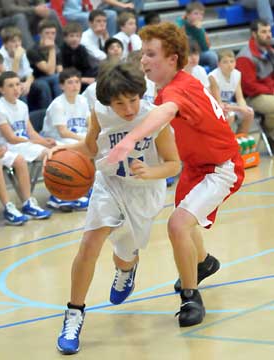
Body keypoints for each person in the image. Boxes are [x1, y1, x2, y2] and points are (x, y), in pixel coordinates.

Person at [107, 22, 245, 328]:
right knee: (185, 219)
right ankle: (204, 263)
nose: (144, 60)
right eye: (143, 54)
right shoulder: (170, 85)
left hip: (221, 168)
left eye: (151, 54)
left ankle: (190, 296)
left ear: (172, 59)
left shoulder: (178, 88)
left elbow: (165, 113)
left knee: (177, 224)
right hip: (196, 166)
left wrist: (129, 141)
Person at [54, 61, 180, 354]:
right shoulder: (99, 114)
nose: (128, 109)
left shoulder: (153, 117)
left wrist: (151, 172)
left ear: (140, 94)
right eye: (120, 103)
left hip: (144, 191)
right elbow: (90, 149)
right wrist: (59, 153)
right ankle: (74, 313)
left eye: (133, 100)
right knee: (90, 243)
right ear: (108, 103)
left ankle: (128, 266)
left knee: (124, 255)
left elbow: (174, 163)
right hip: (109, 184)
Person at [0, 72, 54, 220]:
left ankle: (55, 195)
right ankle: (24, 202)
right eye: (10, 86)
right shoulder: (0, 108)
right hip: (10, 146)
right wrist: (35, 142)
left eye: (18, 84)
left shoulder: (22, 105)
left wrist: (44, 141)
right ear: (1, 90)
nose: (16, 88)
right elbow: (11, 137)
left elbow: (30, 131)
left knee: (53, 152)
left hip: (23, 144)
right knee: (25, 159)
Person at [42, 67, 91, 210]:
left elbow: (90, 123)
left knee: (96, 144)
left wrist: (92, 135)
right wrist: (84, 140)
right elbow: (63, 132)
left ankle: (87, 187)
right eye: (70, 82)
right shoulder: (58, 104)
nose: (75, 85)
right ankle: (58, 195)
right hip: (56, 140)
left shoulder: (82, 100)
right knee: (82, 148)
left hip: (75, 139)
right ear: (61, 86)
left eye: (77, 82)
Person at [236, 19, 274, 148]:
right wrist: (271, 90)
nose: (268, 35)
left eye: (269, 31)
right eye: (263, 32)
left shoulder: (269, 51)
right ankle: (271, 135)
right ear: (254, 34)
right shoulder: (245, 57)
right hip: (253, 97)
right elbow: (249, 87)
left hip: (268, 90)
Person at [209, 49, 254, 134]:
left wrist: (243, 108)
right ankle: (224, 142)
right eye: (225, 62)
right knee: (230, 116)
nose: (229, 65)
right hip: (214, 105)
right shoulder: (213, 77)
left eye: (232, 61)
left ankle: (241, 139)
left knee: (249, 113)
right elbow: (219, 104)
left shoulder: (237, 74)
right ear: (218, 64)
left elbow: (240, 98)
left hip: (228, 104)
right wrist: (239, 108)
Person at [27, 19, 63, 111]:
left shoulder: (57, 49)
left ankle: (63, 109)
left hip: (53, 78)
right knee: (46, 83)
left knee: (60, 78)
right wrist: (51, 49)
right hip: (35, 80)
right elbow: (49, 71)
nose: (50, 36)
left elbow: (59, 69)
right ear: (40, 34)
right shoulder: (33, 50)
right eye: (47, 33)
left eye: (53, 33)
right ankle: (49, 112)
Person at [82, 37, 124, 110]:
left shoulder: (127, 66)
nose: (116, 49)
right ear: (107, 52)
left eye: (118, 47)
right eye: (112, 48)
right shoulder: (102, 66)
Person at [176, 1, 218, 69]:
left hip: (197, 55)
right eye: (196, 13)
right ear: (187, 15)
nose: (199, 17)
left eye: (201, 14)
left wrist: (199, 31)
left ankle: (211, 78)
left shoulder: (200, 28)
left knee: (212, 56)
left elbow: (205, 48)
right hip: (183, 55)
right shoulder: (179, 25)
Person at [60, 21, 99, 92]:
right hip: (69, 77)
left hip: (81, 75)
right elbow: (64, 71)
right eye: (71, 36)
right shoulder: (62, 51)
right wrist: (83, 79)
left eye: (77, 36)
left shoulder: (82, 49)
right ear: (65, 38)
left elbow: (87, 67)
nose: (75, 39)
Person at [0, 26, 34, 101]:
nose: (17, 44)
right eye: (13, 41)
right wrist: (16, 58)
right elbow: (9, 79)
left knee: (42, 85)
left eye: (19, 41)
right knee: (18, 90)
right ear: (5, 44)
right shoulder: (0, 56)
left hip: (22, 81)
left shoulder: (21, 52)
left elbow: (29, 73)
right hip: (8, 86)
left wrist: (28, 83)